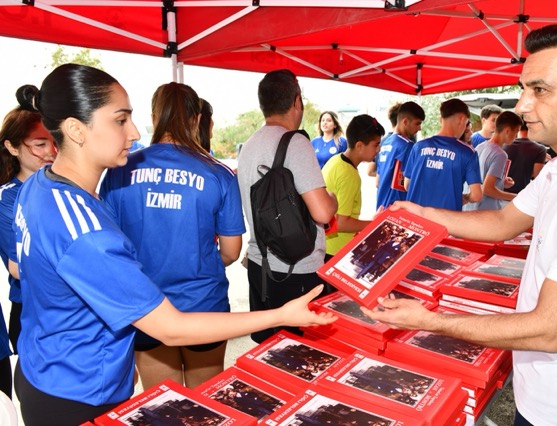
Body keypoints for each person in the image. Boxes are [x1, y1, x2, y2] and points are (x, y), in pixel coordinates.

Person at [10, 63, 336, 426]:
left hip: (46, 369)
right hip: (79, 391)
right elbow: (171, 325)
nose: (134, 132)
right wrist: (281, 315)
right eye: (120, 120)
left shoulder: (39, 185)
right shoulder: (87, 232)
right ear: (75, 128)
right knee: (203, 409)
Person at [363, 20, 557, 426]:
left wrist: (428, 321)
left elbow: (550, 330)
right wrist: (421, 213)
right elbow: (503, 221)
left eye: (540, 90)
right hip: (538, 389)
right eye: (525, 88)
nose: (523, 105)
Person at [100, 83, 245, 390]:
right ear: (196, 119)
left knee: (162, 404)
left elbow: (109, 244)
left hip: (145, 305)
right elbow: (232, 251)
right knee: (206, 402)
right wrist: (196, 261)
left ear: (154, 116)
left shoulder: (119, 171)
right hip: (204, 305)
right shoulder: (219, 173)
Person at [237, 69, 338, 344]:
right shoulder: (296, 142)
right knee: (301, 352)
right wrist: (332, 197)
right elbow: (322, 212)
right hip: (297, 270)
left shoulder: (249, 145)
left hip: (259, 266)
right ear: (296, 101)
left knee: (268, 349)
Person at [0, 104, 57, 397]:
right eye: (39, 144)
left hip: (70, 308)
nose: (51, 151)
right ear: (12, 147)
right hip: (33, 312)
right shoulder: (7, 198)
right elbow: (17, 267)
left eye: (54, 142)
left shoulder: (64, 188)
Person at [322, 114, 384, 258]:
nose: (379, 149)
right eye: (375, 145)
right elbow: (341, 223)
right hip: (335, 250)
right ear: (359, 146)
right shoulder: (349, 175)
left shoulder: (336, 160)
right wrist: (375, 224)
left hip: (325, 244)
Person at [403, 98, 482, 211]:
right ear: (461, 119)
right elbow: (476, 195)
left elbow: (407, 185)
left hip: (415, 216)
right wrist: (465, 198)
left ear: (441, 120)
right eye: (466, 124)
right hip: (446, 218)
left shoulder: (418, 146)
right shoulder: (468, 152)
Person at [465, 111, 521, 211]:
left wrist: (501, 182)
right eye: (516, 132)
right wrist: (517, 197)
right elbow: (487, 189)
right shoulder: (500, 154)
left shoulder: (480, 146)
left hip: (470, 207)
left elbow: (481, 178)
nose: (516, 136)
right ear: (507, 131)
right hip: (484, 210)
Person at [375, 101, 424, 209]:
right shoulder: (408, 146)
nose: (419, 128)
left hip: (381, 208)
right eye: (417, 123)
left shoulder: (385, 144)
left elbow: (377, 182)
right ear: (405, 121)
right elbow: (408, 185)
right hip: (398, 209)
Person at [504, 121, 548, 194]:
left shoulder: (504, 144)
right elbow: (537, 176)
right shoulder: (540, 149)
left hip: (500, 192)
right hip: (522, 194)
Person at [367, 101, 402, 180]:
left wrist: (383, 175)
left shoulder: (381, 141)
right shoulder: (407, 143)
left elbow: (370, 171)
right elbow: (370, 171)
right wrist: (391, 177)